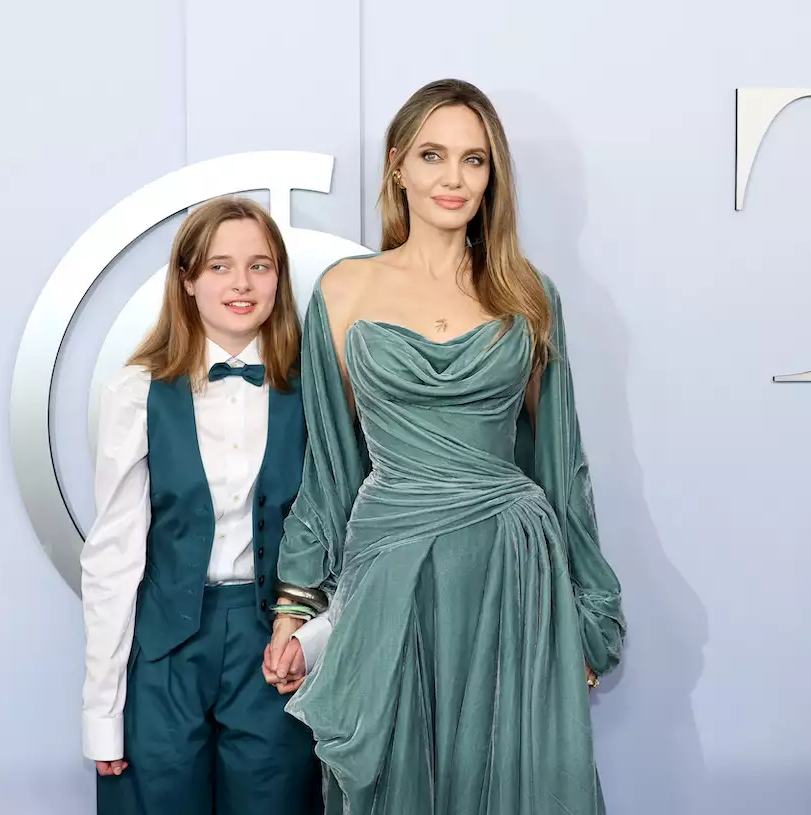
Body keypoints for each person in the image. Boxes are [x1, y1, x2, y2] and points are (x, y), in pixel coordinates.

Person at [262, 79, 627, 814]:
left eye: (474, 160)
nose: (453, 179)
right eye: (433, 155)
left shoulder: (527, 293)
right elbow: (330, 470)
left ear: (494, 177)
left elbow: (562, 464)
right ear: (397, 165)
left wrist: (590, 611)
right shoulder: (344, 290)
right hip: (392, 566)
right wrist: (294, 605)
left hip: (510, 566)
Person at [80, 195, 322, 815]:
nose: (241, 283)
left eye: (260, 266)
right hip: (164, 649)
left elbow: (343, 537)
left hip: (274, 646)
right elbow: (112, 556)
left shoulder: (318, 391)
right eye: (218, 266)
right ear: (186, 281)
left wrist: (314, 638)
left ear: (279, 279)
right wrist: (102, 712)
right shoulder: (136, 392)